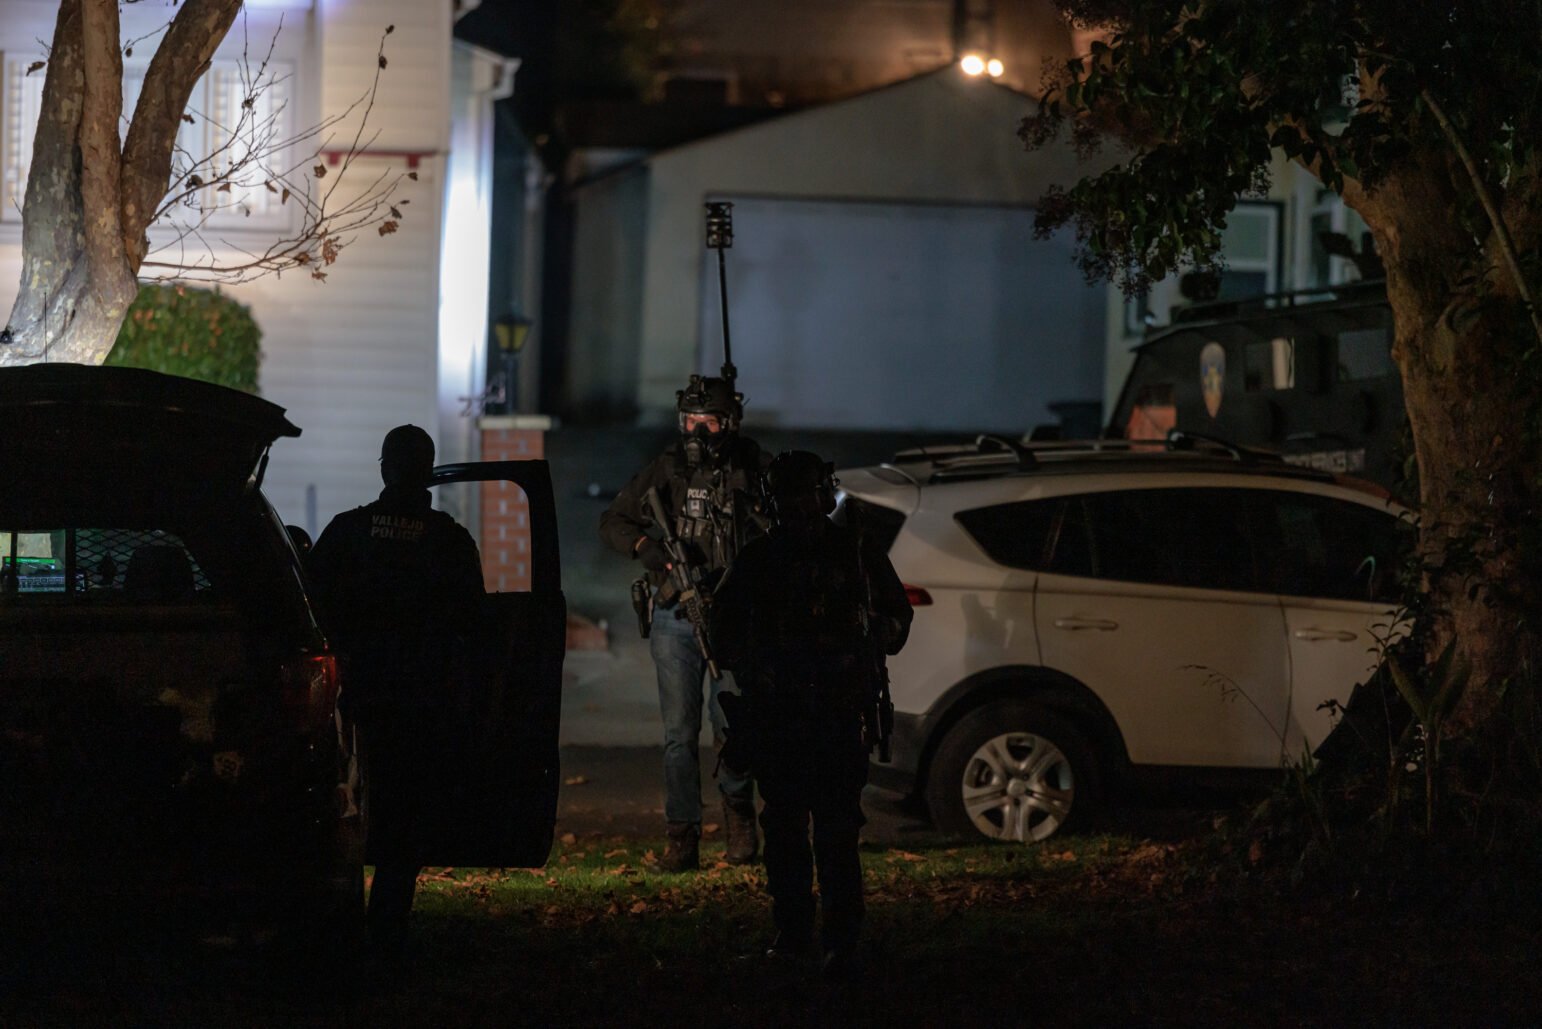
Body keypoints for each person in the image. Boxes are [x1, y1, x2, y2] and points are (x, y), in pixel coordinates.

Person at [710, 450, 912, 978]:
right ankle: (795, 933)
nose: (800, 506)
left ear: (823, 496)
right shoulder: (759, 558)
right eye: (790, 496)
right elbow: (723, 631)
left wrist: (876, 633)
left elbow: (897, 616)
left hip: (839, 712)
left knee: (837, 832)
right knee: (785, 830)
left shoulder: (856, 553)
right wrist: (756, 664)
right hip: (782, 715)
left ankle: (841, 938)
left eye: (808, 494)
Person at [306, 424, 484, 956]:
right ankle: (387, 928)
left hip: (348, 701)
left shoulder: (346, 533)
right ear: (428, 473)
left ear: (383, 468)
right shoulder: (449, 541)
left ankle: (334, 925)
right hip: (419, 704)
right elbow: (474, 626)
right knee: (403, 819)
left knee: (338, 810)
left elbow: (309, 611)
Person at [599, 374, 770, 872]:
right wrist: (647, 549)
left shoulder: (753, 467)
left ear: (730, 423)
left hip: (734, 618)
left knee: (734, 727)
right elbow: (613, 520)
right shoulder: (669, 469)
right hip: (677, 616)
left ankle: (739, 820)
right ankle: (683, 838)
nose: (697, 432)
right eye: (690, 422)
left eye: (708, 422)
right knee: (679, 734)